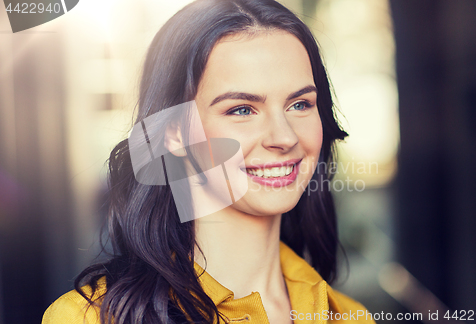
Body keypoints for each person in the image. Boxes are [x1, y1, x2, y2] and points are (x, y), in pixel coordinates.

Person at [42, 0, 376, 323]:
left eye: (300, 104)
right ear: (173, 132)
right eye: (242, 110)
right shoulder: (88, 319)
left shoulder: (350, 317)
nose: (285, 137)